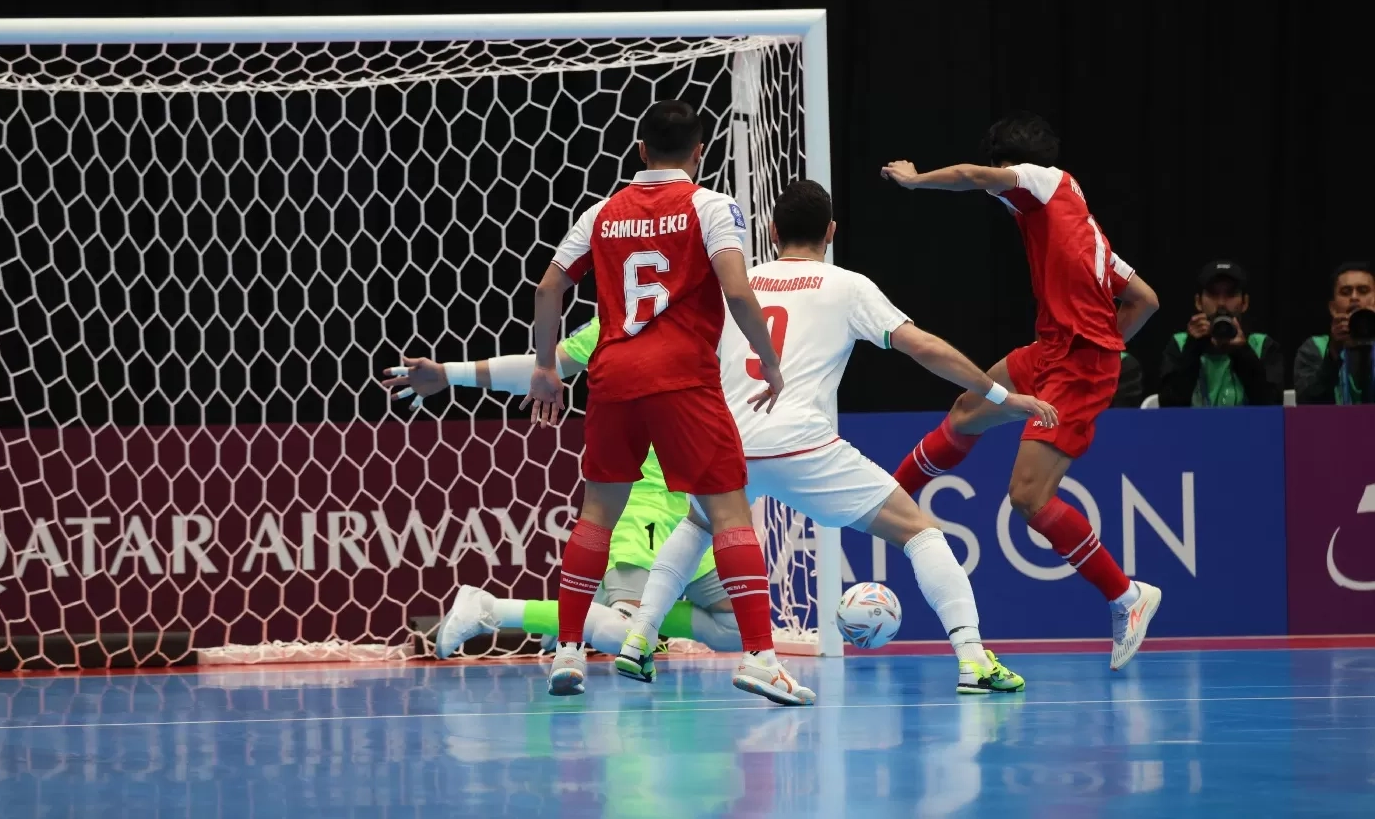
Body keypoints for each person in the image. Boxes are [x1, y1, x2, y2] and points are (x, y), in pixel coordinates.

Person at [616, 180, 1051, 693]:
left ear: (772, 231)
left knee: (696, 526)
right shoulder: (847, 286)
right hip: (802, 444)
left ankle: (638, 637)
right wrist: (1001, 397)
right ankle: (973, 660)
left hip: (729, 442)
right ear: (831, 232)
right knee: (920, 531)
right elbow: (925, 348)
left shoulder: (739, 281)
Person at [528, 99, 812, 704]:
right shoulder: (710, 206)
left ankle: (569, 650)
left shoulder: (602, 214)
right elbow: (736, 288)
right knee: (730, 513)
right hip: (682, 380)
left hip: (613, 379)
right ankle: (761, 659)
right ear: (699, 151)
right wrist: (770, 360)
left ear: (639, 150)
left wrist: (547, 368)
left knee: (596, 513)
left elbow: (550, 284)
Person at [880, 111, 1164, 671]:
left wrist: (915, 180)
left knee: (1029, 498)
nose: (997, 185)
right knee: (967, 409)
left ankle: (1128, 596)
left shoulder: (1044, 180)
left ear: (1012, 164)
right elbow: (1146, 299)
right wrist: (1106, 338)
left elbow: (968, 173)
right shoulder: (1083, 225)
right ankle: (888, 500)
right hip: (1051, 349)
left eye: (1000, 173)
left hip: (1078, 363)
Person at [379, 322, 741, 659]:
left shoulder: (718, 315)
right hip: (644, 509)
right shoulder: (617, 320)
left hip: (696, 515)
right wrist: (448, 373)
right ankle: (493, 610)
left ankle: (585, 613)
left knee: (739, 631)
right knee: (630, 640)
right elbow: (540, 370)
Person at [1157, 260, 1284, 407]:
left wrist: (1242, 353)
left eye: (1230, 294)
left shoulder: (1262, 346)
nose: (1221, 303)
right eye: (1213, 294)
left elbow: (1273, 407)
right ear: (1198, 302)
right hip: (1192, 429)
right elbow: (1168, 409)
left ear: (1245, 303)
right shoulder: (1180, 345)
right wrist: (1193, 348)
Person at [1295, 261, 1375, 405]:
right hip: (1332, 427)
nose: (1354, 297)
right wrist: (1333, 353)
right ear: (1332, 308)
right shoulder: (1314, 348)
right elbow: (1305, 405)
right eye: (1345, 292)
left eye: (1363, 290)